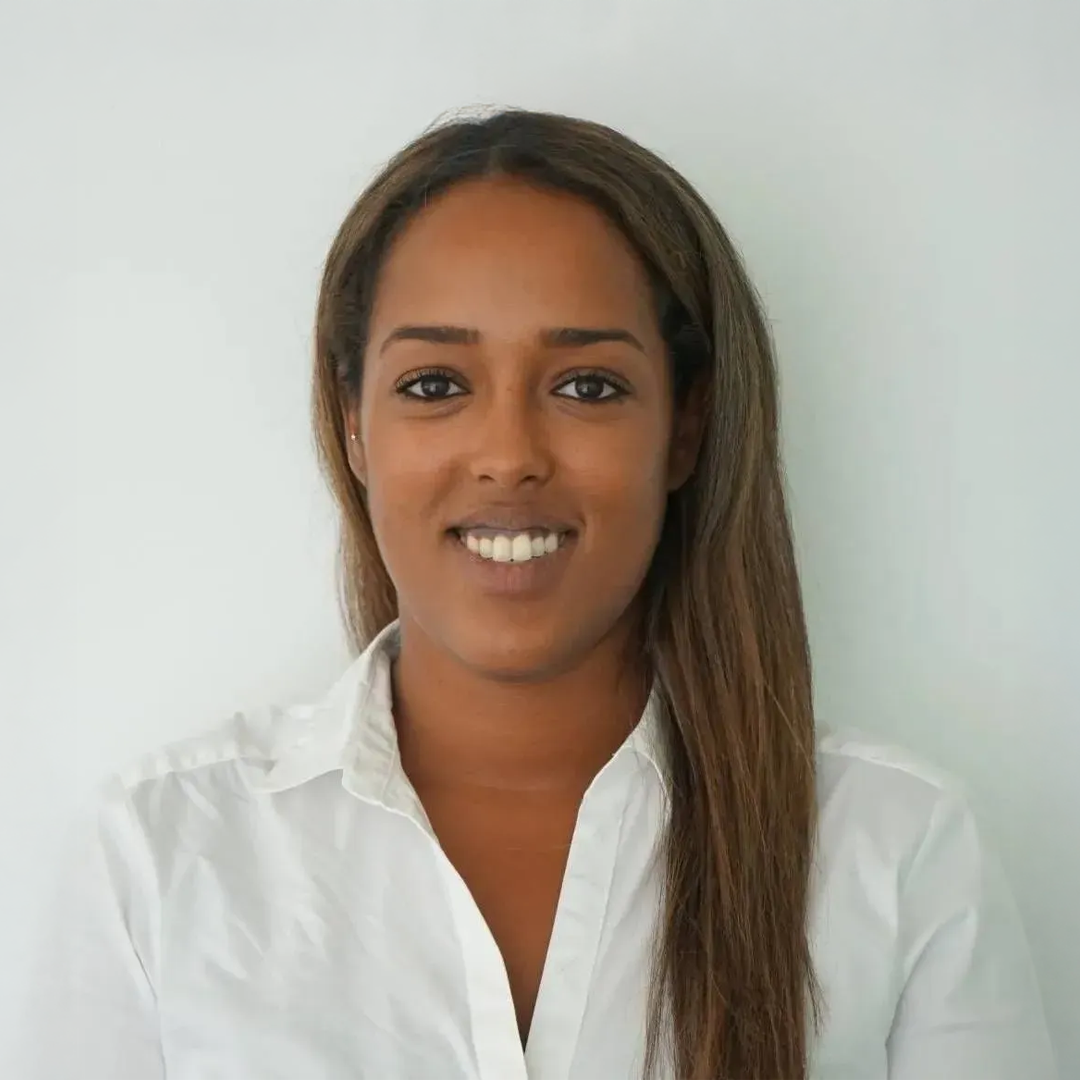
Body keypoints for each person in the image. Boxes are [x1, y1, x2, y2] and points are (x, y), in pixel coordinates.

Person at [26, 109, 1057, 1080]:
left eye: (587, 387)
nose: (509, 455)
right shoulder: (159, 858)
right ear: (352, 424)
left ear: (685, 430)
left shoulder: (899, 854)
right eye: (435, 385)